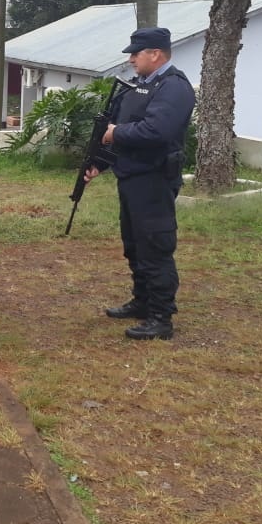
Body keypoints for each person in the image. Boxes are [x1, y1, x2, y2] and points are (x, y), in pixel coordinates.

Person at [83, 27, 196, 340]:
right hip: (131, 178)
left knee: (155, 246)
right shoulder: (138, 87)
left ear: (155, 54)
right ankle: (143, 301)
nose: (131, 59)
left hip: (155, 181)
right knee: (134, 244)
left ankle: (161, 317)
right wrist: (100, 164)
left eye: (136, 53)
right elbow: (117, 130)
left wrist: (115, 133)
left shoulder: (174, 88)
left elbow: (155, 131)